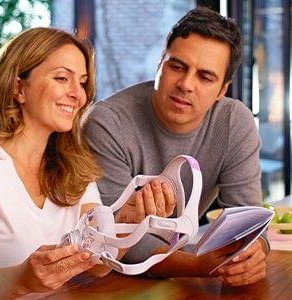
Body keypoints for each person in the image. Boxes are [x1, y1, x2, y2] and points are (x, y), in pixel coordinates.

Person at [0, 27, 175, 298]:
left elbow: (97, 265)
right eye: (62, 78)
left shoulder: (73, 165)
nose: (79, 95)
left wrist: (129, 218)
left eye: (83, 82)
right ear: (18, 88)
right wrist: (23, 279)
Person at [84, 7, 269, 286]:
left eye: (205, 77)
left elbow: (247, 221)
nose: (185, 84)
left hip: (178, 269)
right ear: (160, 63)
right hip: (107, 280)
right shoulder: (107, 122)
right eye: (177, 66)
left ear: (222, 90)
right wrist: (199, 266)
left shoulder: (234, 122)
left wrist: (254, 253)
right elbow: (110, 243)